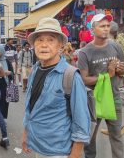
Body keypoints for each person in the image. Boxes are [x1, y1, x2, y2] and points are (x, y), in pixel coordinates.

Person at [22, 18, 91, 158]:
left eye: (50, 40)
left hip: (59, 151)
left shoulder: (70, 75)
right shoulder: (35, 70)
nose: (44, 45)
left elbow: (81, 119)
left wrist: (75, 154)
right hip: (37, 145)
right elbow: (30, 106)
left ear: (60, 45)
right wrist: (25, 134)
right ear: (34, 44)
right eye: (39, 40)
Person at [78, 14, 124, 158]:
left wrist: (120, 69)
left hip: (114, 98)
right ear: (93, 29)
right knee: (90, 138)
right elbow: (84, 79)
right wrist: (108, 75)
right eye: (102, 26)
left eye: (107, 26)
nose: (106, 29)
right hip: (94, 100)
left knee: (116, 136)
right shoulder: (85, 52)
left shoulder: (116, 46)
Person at [100, 21, 124, 136]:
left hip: (112, 77)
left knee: (112, 100)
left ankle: (119, 127)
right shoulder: (118, 42)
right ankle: (114, 127)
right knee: (111, 101)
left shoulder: (111, 44)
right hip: (116, 76)